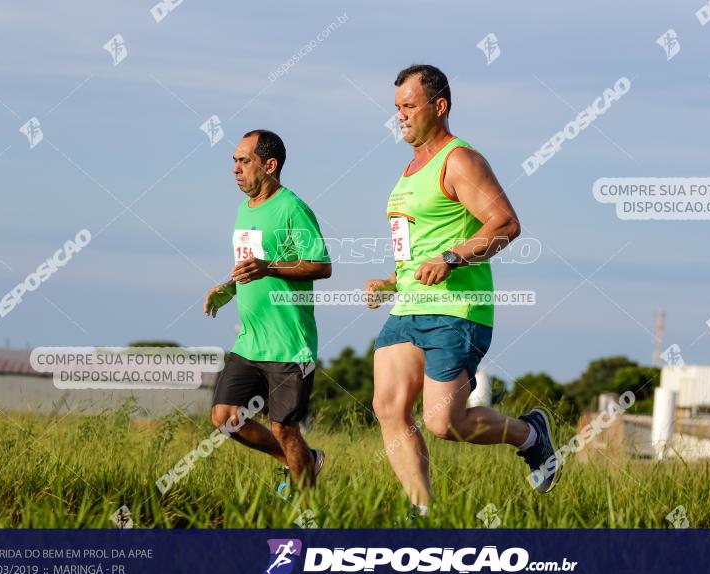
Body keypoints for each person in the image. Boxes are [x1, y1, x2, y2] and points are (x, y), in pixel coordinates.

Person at [366, 65, 560, 516]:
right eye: (397, 108)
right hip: (409, 307)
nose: (401, 116)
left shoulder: (460, 160)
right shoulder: (409, 172)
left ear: (440, 106)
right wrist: (394, 280)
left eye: (409, 106)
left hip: (457, 310)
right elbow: (419, 247)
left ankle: (530, 435)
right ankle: (423, 513)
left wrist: (452, 258)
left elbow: (506, 224)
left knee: (442, 422)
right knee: (388, 407)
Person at [205, 129, 330, 489]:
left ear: (270, 165)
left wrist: (270, 268)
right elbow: (251, 266)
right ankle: (301, 462)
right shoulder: (244, 211)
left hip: (290, 344)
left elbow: (320, 266)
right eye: (234, 161)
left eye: (244, 160)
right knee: (225, 417)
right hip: (250, 341)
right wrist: (228, 289)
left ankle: (308, 508)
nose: (235, 168)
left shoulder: (293, 207)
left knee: (285, 428)